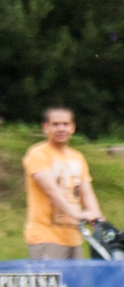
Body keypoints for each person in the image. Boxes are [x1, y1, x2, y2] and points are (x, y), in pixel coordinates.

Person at [22, 107, 104, 260]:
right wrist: (77, 215)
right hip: (45, 237)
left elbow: (87, 192)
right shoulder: (38, 154)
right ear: (45, 127)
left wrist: (99, 220)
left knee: (75, 284)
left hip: (73, 238)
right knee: (50, 284)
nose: (61, 128)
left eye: (65, 124)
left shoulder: (77, 157)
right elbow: (51, 190)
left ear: (72, 127)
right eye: (55, 124)